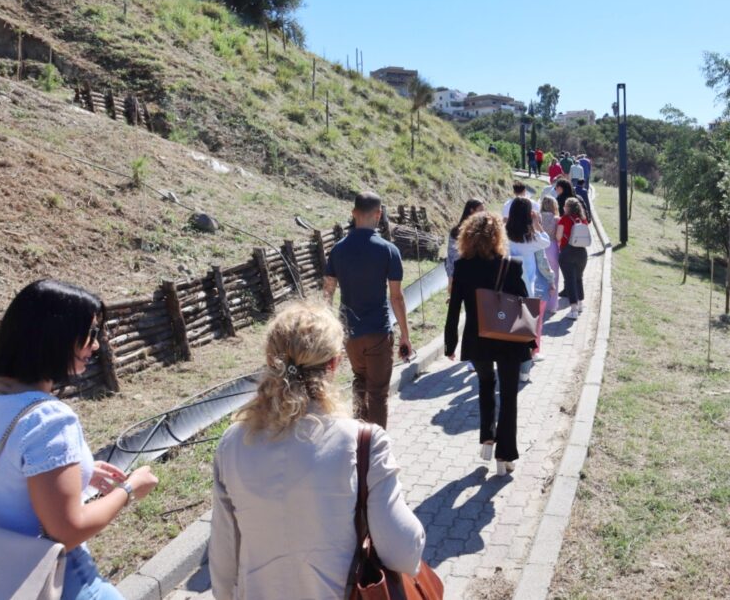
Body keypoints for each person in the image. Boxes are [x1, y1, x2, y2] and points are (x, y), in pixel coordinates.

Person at [210, 301, 426, 600]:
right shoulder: (363, 443)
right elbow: (403, 551)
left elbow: (223, 560)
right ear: (335, 364)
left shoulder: (231, 444)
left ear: (270, 360)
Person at [0, 279, 159, 600]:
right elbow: (67, 530)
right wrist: (130, 489)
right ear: (55, 338)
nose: (95, 346)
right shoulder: (49, 419)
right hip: (50, 577)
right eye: (90, 334)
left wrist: (80, 470)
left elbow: (2, 471)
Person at [445, 213, 533, 476]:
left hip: (477, 339)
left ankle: (486, 439)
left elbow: (453, 310)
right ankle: (504, 457)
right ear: (498, 236)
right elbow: (524, 305)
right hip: (508, 340)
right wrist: (531, 342)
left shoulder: (462, 267)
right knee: (508, 395)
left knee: (485, 385)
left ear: (467, 236)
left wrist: (450, 343)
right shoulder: (512, 265)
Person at [324, 192, 411, 429]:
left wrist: (328, 330)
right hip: (378, 332)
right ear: (379, 214)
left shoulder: (338, 250)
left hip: (350, 333)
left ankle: (358, 441)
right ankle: (376, 449)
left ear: (353, 214)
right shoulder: (388, 250)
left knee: (359, 384)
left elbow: (328, 292)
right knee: (378, 394)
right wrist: (405, 334)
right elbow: (396, 297)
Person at [506, 198, 552, 378]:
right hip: (526, 288)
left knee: (509, 328)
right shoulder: (530, 238)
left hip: (506, 287)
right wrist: (537, 224)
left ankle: (508, 365)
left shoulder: (504, 235)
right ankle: (524, 371)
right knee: (525, 329)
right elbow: (546, 241)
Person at [557, 198, 590, 320]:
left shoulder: (564, 219)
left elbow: (558, 236)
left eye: (565, 206)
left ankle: (574, 309)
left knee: (569, 281)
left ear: (568, 208)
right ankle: (580, 304)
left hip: (567, 252)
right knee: (578, 278)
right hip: (582, 253)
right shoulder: (583, 220)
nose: (563, 208)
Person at [446, 198, 486, 292]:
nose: (484, 213)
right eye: (481, 210)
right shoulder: (456, 232)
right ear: (471, 211)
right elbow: (452, 257)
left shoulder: (484, 231)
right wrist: (451, 279)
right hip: (463, 276)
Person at [539, 196, 562, 313]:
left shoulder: (538, 217)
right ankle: (552, 306)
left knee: (540, 276)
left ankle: (540, 304)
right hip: (552, 248)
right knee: (554, 277)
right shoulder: (557, 219)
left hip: (539, 248)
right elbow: (559, 237)